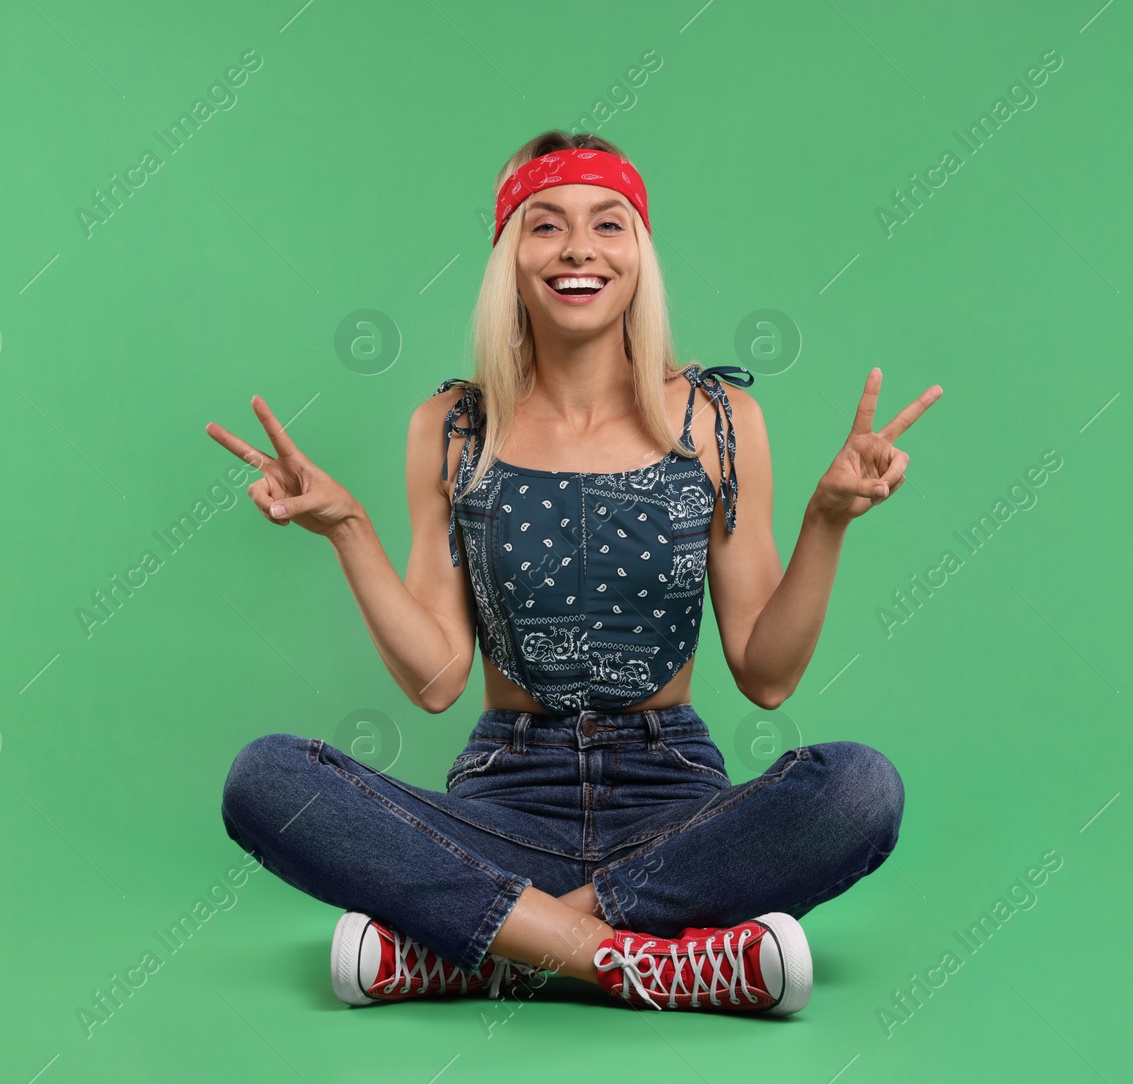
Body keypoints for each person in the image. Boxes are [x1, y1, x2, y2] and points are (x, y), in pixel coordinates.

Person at [211, 130, 942, 1016]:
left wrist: (827, 521)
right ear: (508, 257)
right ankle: (644, 959)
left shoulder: (718, 418)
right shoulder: (452, 426)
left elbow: (768, 673)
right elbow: (440, 682)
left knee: (860, 788)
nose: (579, 250)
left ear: (640, 252)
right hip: (504, 805)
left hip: (673, 806)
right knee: (266, 780)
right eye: (545, 225)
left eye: (608, 223)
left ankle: (490, 950)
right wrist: (348, 528)